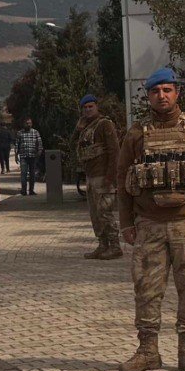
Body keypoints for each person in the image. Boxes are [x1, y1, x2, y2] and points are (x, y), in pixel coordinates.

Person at [116, 67, 185, 371]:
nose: (161, 96)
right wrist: (126, 222)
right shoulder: (136, 134)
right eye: (155, 91)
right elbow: (122, 180)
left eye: (166, 90)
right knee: (146, 289)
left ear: (177, 92)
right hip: (149, 224)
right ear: (148, 96)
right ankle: (148, 350)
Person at [75, 93, 123, 259]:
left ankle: (115, 246)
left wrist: (111, 177)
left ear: (97, 107)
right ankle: (103, 245)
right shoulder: (86, 127)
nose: (88, 110)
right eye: (85, 108)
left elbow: (114, 150)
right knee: (95, 213)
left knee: (105, 212)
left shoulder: (104, 124)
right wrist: (78, 128)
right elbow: (74, 146)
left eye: (91, 106)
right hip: (90, 176)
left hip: (103, 176)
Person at [15, 117, 43, 197]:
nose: (28, 125)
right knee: (23, 174)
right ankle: (23, 190)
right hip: (23, 156)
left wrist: (39, 152)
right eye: (27, 123)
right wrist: (16, 155)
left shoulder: (35, 132)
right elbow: (17, 145)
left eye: (30, 123)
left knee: (32, 174)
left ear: (32, 124)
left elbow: (39, 143)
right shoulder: (20, 133)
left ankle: (31, 190)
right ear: (24, 124)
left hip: (33, 156)